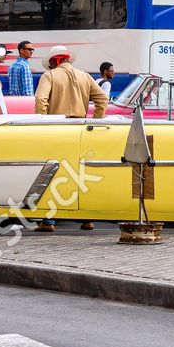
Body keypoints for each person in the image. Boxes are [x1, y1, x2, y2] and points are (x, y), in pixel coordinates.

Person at [34, 46, 109, 232]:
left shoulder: (49, 76)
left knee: (52, 175)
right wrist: (96, 119)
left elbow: (40, 100)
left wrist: (42, 121)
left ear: (54, 61)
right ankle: (86, 218)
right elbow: (102, 99)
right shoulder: (84, 75)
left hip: (57, 129)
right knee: (79, 173)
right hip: (81, 129)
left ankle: (48, 221)